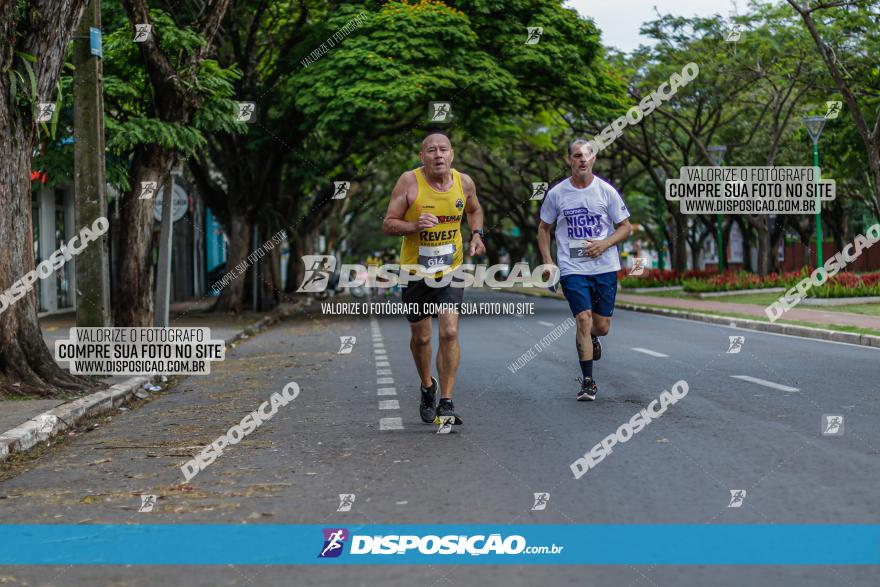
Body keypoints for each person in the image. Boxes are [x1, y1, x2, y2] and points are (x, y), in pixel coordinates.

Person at [382, 133, 485, 423]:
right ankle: (428, 386)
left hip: (451, 269)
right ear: (422, 156)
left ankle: (447, 401)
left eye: (443, 150)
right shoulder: (409, 182)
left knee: (449, 331)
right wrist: (413, 225)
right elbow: (388, 223)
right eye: (431, 150)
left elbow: (475, 209)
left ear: (452, 154)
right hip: (415, 271)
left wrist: (477, 234)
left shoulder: (464, 182)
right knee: (422, 336)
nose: (438, 155)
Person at [537, 139, 632, 401]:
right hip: (572, 267)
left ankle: (593, 338)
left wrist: (605, 243)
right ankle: (588, 382)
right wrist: (548, 260)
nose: (581, 160)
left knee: (600, 327)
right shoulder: (557, 193)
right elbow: (544, 229)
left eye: (586, 156)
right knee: (583, 318)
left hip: (605, 267)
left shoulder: (606, 191)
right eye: (576, 155)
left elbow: (626, 226)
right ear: (569, 160)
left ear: (593, 160)